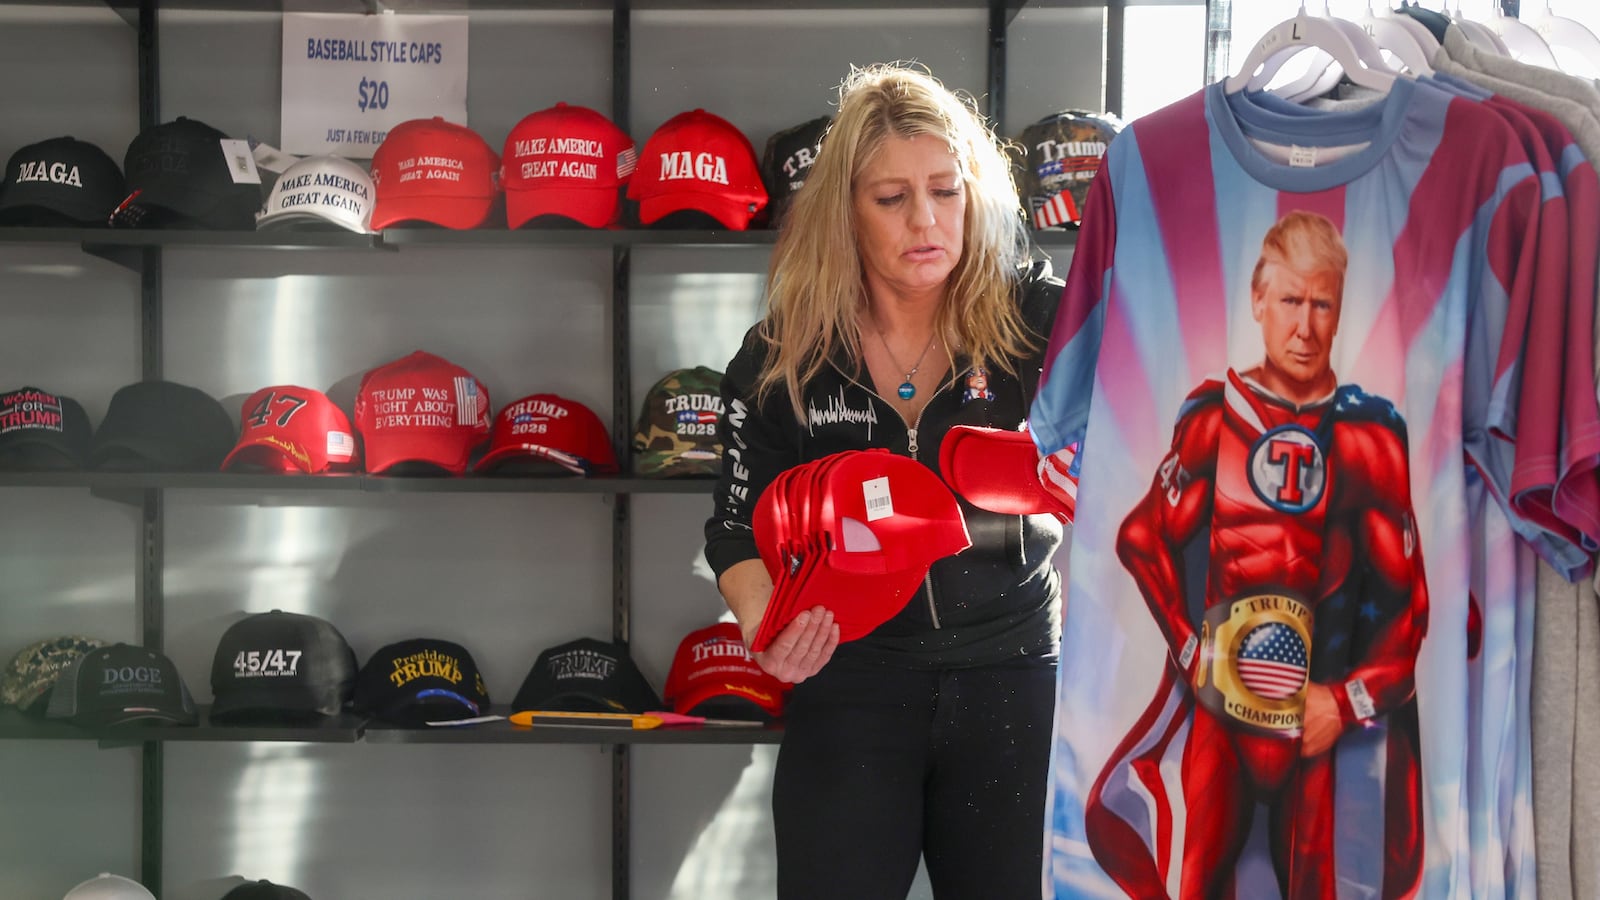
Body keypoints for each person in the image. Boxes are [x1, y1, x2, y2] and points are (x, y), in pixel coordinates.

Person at [703, 63, 1065, 899]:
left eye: (946, 190)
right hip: (852, 685)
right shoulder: (781, 356)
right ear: (846, 214)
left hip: (1013, 681)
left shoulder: (1039, 324)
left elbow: (1130, 466)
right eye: (891, 198)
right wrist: (769, 623)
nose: (927, 220)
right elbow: (732, 526)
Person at [1086, 210, 1428, 899]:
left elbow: (1408, 609)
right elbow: (1140, 538)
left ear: (1340, 310)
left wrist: (1347, 701)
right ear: (1258, 301)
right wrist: (1189, 651)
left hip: (1317, 718)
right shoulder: (1213, 419)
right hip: (1220, 716)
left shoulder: (1370, 440)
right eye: (1291, 301)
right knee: (1196, 886)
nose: (1305, 327)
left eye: (1322, 303)